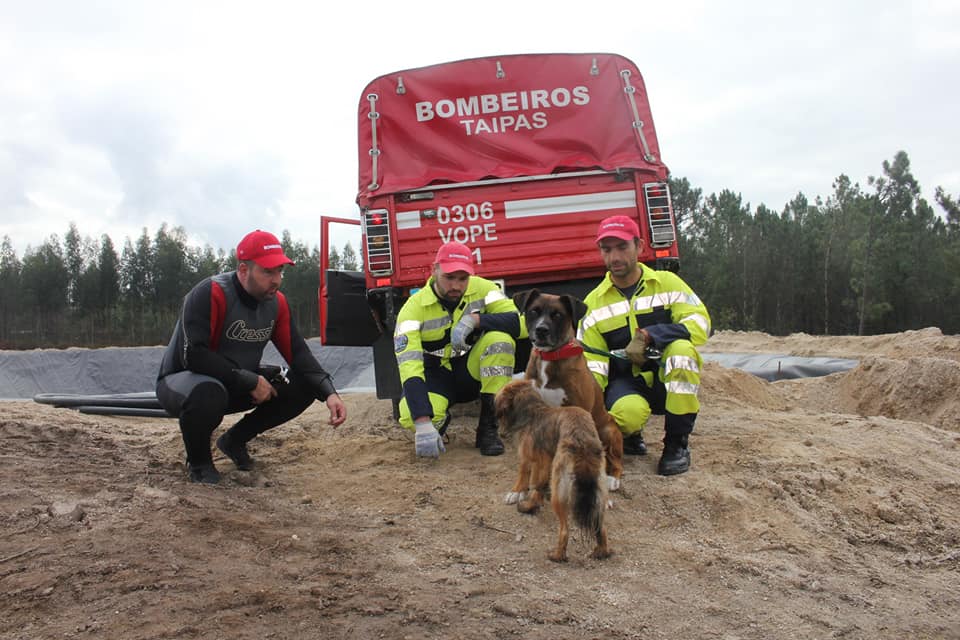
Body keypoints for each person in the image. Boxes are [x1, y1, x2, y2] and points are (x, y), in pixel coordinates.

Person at [156, 229, 347, 484]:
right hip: (183, 383)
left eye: (280, 271)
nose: (277, 279)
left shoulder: (276, 303)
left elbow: (298, 353)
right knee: (208, 393)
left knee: (302, 385)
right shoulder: (209, 293)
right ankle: (200, 463)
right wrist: (249, 380)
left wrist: (329, 392)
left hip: (233, 383)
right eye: (268, 272)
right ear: (244, 270)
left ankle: (233, 441)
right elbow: (195, 356)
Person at [577, 215, 711, 476]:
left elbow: (700, 323)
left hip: (665, 378)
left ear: (639, 247)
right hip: (627, 381)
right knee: (624, 416)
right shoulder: (593, 303)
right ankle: (630, 434)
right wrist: (590, 421)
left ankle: (676, 445)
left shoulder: (667, 284)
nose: (614, 256)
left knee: (682, 353)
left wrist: (654, 334)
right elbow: (594, 368)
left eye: (622, 247)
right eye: (607, 249)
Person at [394, 241, 522, 458]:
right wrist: (424, 422)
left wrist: (478, 320)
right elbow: (409, 365)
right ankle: (438, 421)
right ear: (434, 270)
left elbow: (519, 322)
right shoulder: (412, 309)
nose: (456, 285)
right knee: (410, 416)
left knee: (500, 340)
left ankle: (488, 429)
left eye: (463, 279)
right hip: (435, 374)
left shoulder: (484, 289)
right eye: (449, 277)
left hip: (469, 370)